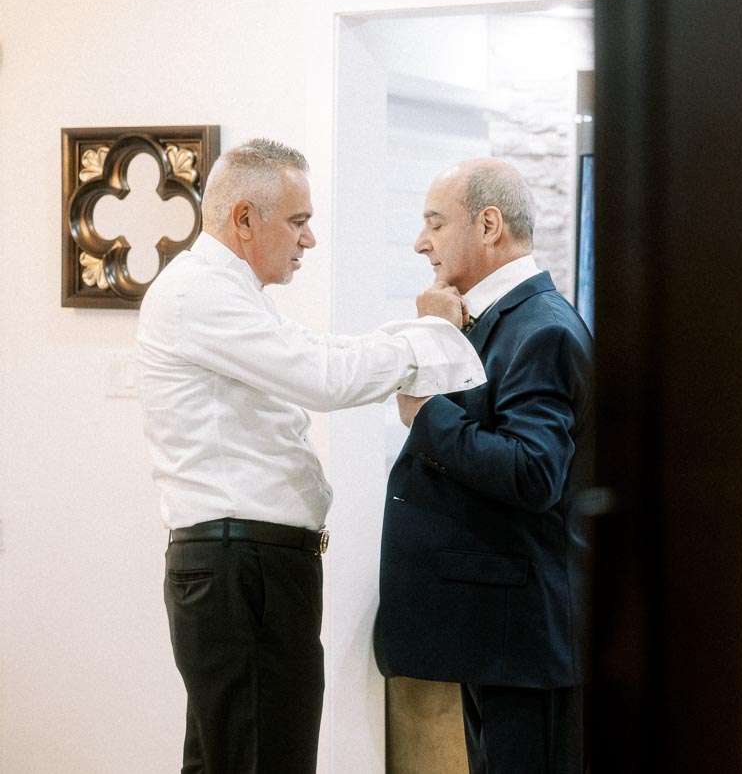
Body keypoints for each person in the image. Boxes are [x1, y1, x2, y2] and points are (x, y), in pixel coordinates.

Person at [136, 138, 485, 773]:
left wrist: (410, 337)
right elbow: (322, 377)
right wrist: (435, 338)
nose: (309, 240)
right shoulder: (199, 296)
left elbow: (315, 350)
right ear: (244, 219)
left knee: (235, 757)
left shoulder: (228, 293)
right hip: (242, 568)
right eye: (298, 222)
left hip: (244, 565)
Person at [375, 158, 594, 774]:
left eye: (435, 224)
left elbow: (533, 472)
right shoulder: (498, 321)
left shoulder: (540, 330)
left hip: (524, 644)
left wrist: (427, 414)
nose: (421, 243)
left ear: (489, 225)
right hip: (497, 640)